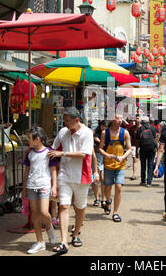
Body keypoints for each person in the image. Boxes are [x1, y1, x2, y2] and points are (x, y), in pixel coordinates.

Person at [48, 107, 98, 255]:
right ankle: (63, 242)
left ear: (77, 120)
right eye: (64, 120)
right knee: (64, 206)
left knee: (80, 207)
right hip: (64, 175)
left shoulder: (87, 133)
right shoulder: (63, 132)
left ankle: (76, 233)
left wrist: (62, 153)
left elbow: (84, 154)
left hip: (81, 177)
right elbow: (52, 148)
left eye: (68, 121)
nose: (65, 123)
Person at [22, 126, 58, 254]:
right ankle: (40, 242)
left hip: (44, 186)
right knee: (35, 215)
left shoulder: (49, 153)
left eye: (30, 138)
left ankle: (49, 228)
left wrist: (54, 186)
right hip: (31, 186)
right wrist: (24, 188)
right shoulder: (30, 153)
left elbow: (53, 171)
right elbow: (26, 171)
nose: (28, 141)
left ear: (37, 139)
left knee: (44, 212)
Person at [99, 114, 132, 223]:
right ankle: (108, 201)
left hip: (120, 165)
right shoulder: (105, 133)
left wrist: (123, 157)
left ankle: (115, 212)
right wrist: (107, 155)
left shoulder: (125, 133)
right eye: (118, 118)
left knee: (118, 187)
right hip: (108, 165)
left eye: (121, 118)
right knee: (108, 188)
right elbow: (100, 148)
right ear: (112, 119)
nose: (120, 120)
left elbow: (129, 149)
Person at [136, 116, 157, 187]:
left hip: (143, 149)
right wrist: (156, 148)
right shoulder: (153, 128)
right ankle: (149, 182)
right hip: (152, 150)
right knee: (150, 165)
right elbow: (155, 139)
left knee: (143, 165)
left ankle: (142, 180)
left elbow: (137, 140)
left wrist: (136, 150)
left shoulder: (139, 129)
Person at [93, 120, 108, 208]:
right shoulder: (95, 133)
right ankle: (96, 198)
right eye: (104, 126)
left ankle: (103, 198)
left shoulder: (109, 134)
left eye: (106, 127)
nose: (104, 128)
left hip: (105, 158)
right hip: (96, 157)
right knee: (95, 179)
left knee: (103, 179)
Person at [125, 115, 140, 181]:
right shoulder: (132, 128)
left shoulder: (143, 128)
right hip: (133, 146)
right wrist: (128, 147)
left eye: (138, 118)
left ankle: (142, 174)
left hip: (141, 146)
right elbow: (129, 138)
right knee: (134, 159)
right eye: (136, 118)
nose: (137, 120)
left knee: (141, 161)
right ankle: (134, 174)